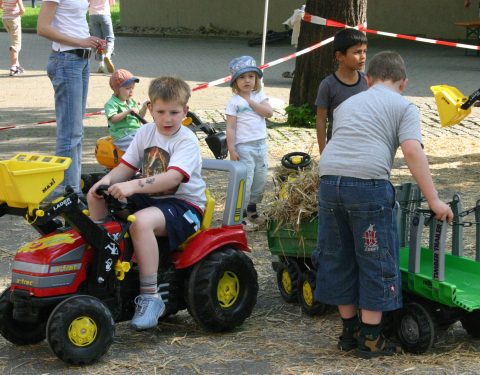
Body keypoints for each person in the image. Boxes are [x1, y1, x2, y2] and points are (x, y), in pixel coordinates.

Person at [313, 51, 454, 358]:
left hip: (328, 181)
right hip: (367, 186)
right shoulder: (403, 106)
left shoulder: (349, 103)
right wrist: (434, 200)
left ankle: (349, 331)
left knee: (339, 256)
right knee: (374, 257)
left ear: (368, 80)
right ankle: (372, 338)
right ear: (404, 83)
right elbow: (412, 150)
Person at [87, 76, 206, 331]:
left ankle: (150, 296)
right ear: (150, 108)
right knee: (95, 197)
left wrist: (131, 186)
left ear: (185, 111)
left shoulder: (186, 140)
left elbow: (172, 178)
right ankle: (99, 264)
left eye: (174, 112)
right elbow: (126, 167)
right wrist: (103, 184)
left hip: (184, 204)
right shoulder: (145, 131)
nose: (167, 118)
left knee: (140, 222)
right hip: (153, 197)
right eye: (160, 111)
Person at [37, 0, 101, 199]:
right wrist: (80, 42)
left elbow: (73, 23)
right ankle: (66, 192)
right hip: (66, 61)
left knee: (76, 131)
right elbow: (42, 28)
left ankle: (73, 189)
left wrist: (89, 41)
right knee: (69, 133)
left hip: (81, 60)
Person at [225, 55, 273, 230]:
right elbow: (230, 127)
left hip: (261, 144)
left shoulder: (259, 95)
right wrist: (232, 148)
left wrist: (251, 102)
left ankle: (253, 210)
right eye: (242, 77)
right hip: (244, 146)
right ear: (235, 82)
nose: (247, 80)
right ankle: (242, 215)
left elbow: (268, 113)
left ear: (256, 79)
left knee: (260, 179)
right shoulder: (234, 102)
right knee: (247, 180)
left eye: (251, 76)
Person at [315, 28, 368, 154]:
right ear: (340, 56)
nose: (363, 56)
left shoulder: (367, 81)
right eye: (357, 52)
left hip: (363, 148)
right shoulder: (328, 85)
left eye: (365, 51)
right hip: (337, 149)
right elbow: (321, 120)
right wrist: (323, 152)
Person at [105, 69, 148, 151]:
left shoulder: (131, 101)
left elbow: (140, 116)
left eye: (133, 88)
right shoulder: (111, 103)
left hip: (135, 132)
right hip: (122, 136)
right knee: (139, 147)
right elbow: (113, 119)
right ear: (117, 89)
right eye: (128, 88)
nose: (131, 91)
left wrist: (144, 107)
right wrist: (127, 112)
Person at [89, 0, 115, 73]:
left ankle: (101, 65)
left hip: (92, 16)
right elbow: (112, 3)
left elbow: (86, 3)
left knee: (98, 41)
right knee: (109, 38)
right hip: (105, 14)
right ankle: (108, 55)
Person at [0, 0, 25, 76]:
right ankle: (13, 67)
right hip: (14, 20)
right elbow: (22, 10)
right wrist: (17, 13)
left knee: (13, 41)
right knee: (16, 44)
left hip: (5, 19)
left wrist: (7, 9)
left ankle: (17, 65)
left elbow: (1, 6)